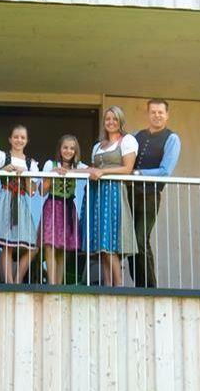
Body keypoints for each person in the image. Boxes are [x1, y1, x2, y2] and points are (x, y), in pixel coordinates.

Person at [130, 99, 183, 289]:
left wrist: (137, 173)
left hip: (150, 194)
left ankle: (150, 288)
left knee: (140, 239)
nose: (157, 115)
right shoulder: (136, 135)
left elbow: (165, 171)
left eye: (160, 112)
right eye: (153, 112)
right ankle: (139, 286)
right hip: (129, 193)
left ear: (167, 115)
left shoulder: (172, 138)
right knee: (129, 241)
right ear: (148, 114)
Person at [86, 105, 139, 287]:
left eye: (114, 119)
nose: (111, 122)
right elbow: (92, 170)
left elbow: (127, 168)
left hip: (114, 191)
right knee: (101, 241)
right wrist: (66, 170)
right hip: (97, 193)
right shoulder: (98, 146)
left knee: (109, 240)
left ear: (120, 121)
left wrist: (103, 172)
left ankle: (119, 285)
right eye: (108, 119)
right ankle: (107, 284)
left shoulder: (127, 140)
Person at [0, 125, 42, 285]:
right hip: (5, 200)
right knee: (7, 244)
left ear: (27, 140)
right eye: (16, 137)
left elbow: (31, 192)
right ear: (10, 139)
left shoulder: (30, 163)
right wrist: (3, 170)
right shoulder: (2, 156)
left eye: (22, 137)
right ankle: (9, 283)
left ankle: (17, 280)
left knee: (33, 247)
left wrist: (26, 175)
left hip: (21, 203)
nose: (19, 140)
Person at [39, 134, 86, 287]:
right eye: (65, 147)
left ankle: (59, 285)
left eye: (72, 148)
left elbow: (92, 171)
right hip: (53, 205)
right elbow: (41, 191)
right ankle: (52, 284)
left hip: (68, 208)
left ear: (76, 151)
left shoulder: (78, 166)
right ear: (60, 149)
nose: (68, 151)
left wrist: (72, 172)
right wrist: (51, 174)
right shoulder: (50, 164)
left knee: (63, 248)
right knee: (50, 245)